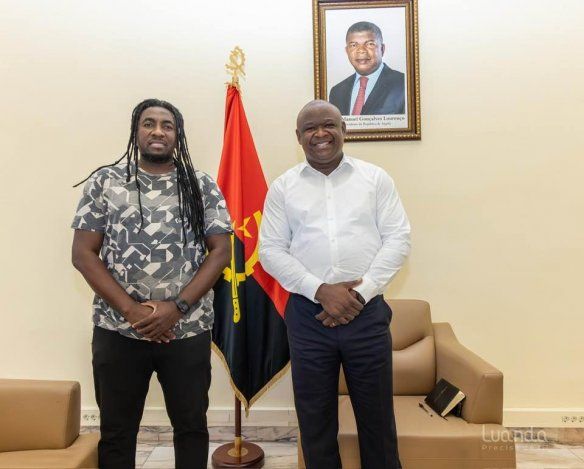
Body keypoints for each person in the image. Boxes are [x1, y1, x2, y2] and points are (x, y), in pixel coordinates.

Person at [71, 99, 232, 469]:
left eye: (167, 125)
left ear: (178, 135)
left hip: (186, 329)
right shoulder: (105, 182)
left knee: (191, 427)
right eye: (149, 123)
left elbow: (221, 252)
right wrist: (132, 311)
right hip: (118, 330)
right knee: (116, 431)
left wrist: (177, 309)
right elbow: (83, 254)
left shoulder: (201, 185)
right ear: (136, 130)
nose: (158, 131)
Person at [259, 100, 410, 469]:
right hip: (308, 317)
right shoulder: (283, 187)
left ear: (344, 129)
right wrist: (320, 291)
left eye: (328, 124)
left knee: (377, 417)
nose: (320, 133)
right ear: (298, 137)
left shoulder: (375, 179)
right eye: (310, 128)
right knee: (315, 419)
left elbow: (398, 239)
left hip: (367, 314)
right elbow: (270, 250)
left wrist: (358, 294)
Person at [329, 21, 406, 116]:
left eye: (370, 44)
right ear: (347, 51)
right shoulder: (337, 92)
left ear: (382, 49)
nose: (361, 50)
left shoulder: (404, 84)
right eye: (353, 45)